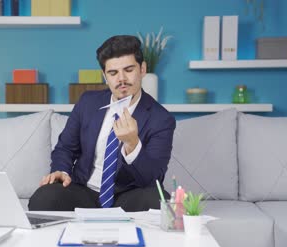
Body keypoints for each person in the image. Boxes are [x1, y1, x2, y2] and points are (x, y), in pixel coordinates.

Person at [28, 35, 176, 212]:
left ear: (142, 69)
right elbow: (65, 148)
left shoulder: (161, 119)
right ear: (105, 76)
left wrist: (132, 144)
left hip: (128, 195)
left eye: (128, 70)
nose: (121, 79)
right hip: (84, 191)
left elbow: (153, 178)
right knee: (43, 197)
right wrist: (62, 172)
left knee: (160, 200)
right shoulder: (87, 102)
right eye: (113, 73)